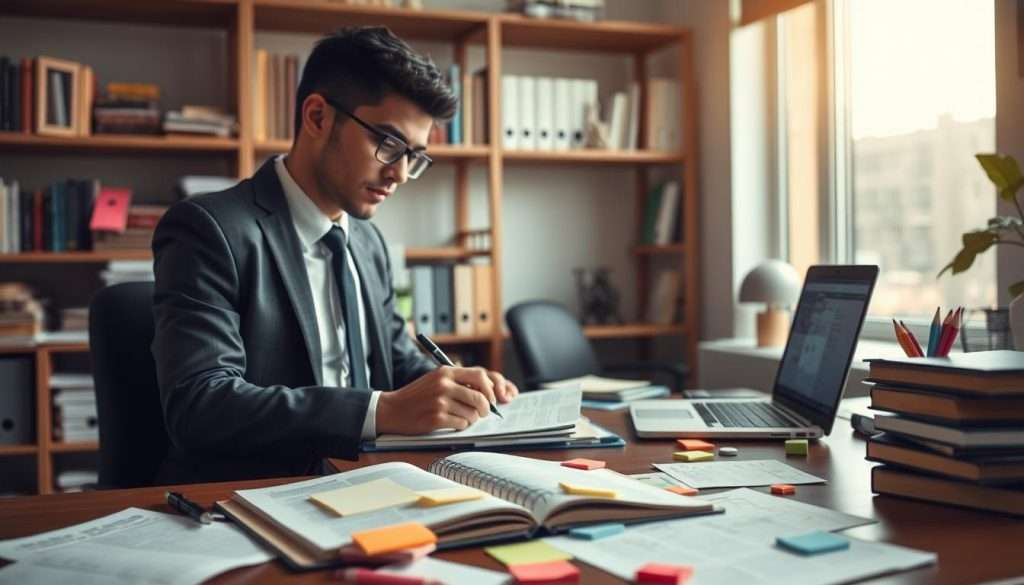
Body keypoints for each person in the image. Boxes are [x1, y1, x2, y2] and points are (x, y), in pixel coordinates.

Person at [151, 26, 518, 484]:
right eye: (388, 144)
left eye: (415, 156)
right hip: (256, 495)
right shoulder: (210, 230)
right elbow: (201, 406)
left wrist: (459, 388)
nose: (400, 174)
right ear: (318, 116)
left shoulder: (367, 242)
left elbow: (396, 361)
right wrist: (380, 410)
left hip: (372, 481)